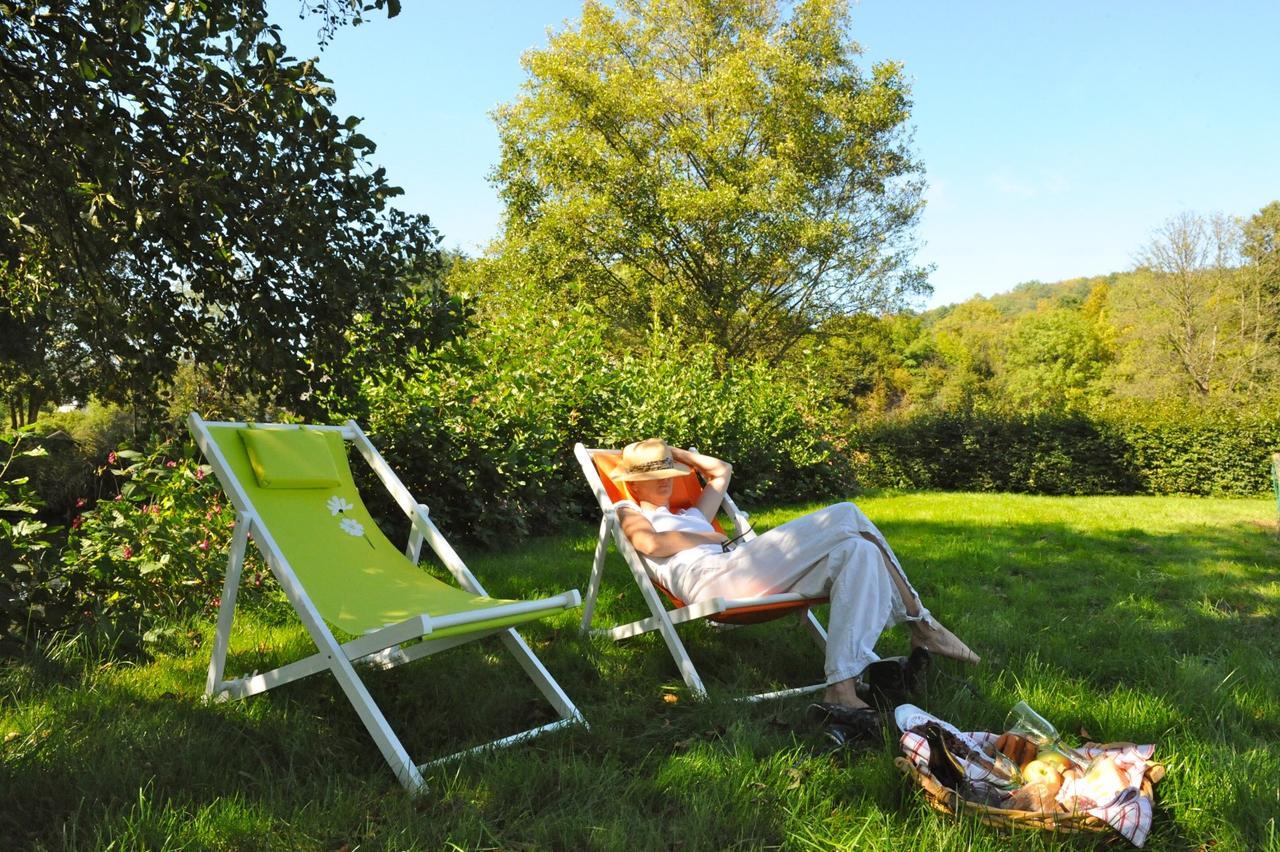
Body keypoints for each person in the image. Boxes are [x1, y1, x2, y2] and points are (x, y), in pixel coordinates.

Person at [610, 438, 978, 741]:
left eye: (669, 472)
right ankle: (923, 626)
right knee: (847, 513)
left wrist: (676, 454)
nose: (666, 480)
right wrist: (705, 534)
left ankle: (841, 689)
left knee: (859, 551)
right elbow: (650, 545)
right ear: (632, 481)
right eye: (655, 474)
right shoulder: (629, 507)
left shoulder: (690, 511)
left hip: (743, 571)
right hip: (714, 581)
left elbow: (722, 470)